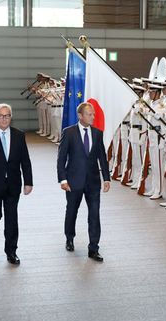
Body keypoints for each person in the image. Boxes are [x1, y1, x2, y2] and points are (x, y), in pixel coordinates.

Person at [57, 102, 110, 262]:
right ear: (80, 116)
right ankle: (69, 237)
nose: (92, 117)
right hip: (73, 181)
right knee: (72, 210)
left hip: (93, 181)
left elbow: (102, 156)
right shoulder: (69, 133)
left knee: (94, 214)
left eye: (93, 114)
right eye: (89, 114)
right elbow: (61, 158)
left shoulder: (97, 133)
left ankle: (93, 248)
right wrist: (63, 179)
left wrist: (106, 178)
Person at [0, 103, 33, 265]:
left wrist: (28, 182)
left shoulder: (19, 135)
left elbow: (25, 160)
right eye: (1, 116)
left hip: (13, 185)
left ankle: (11, 251)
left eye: (7, 115)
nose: (4, 119)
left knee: (12, 218)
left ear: (11, 117)